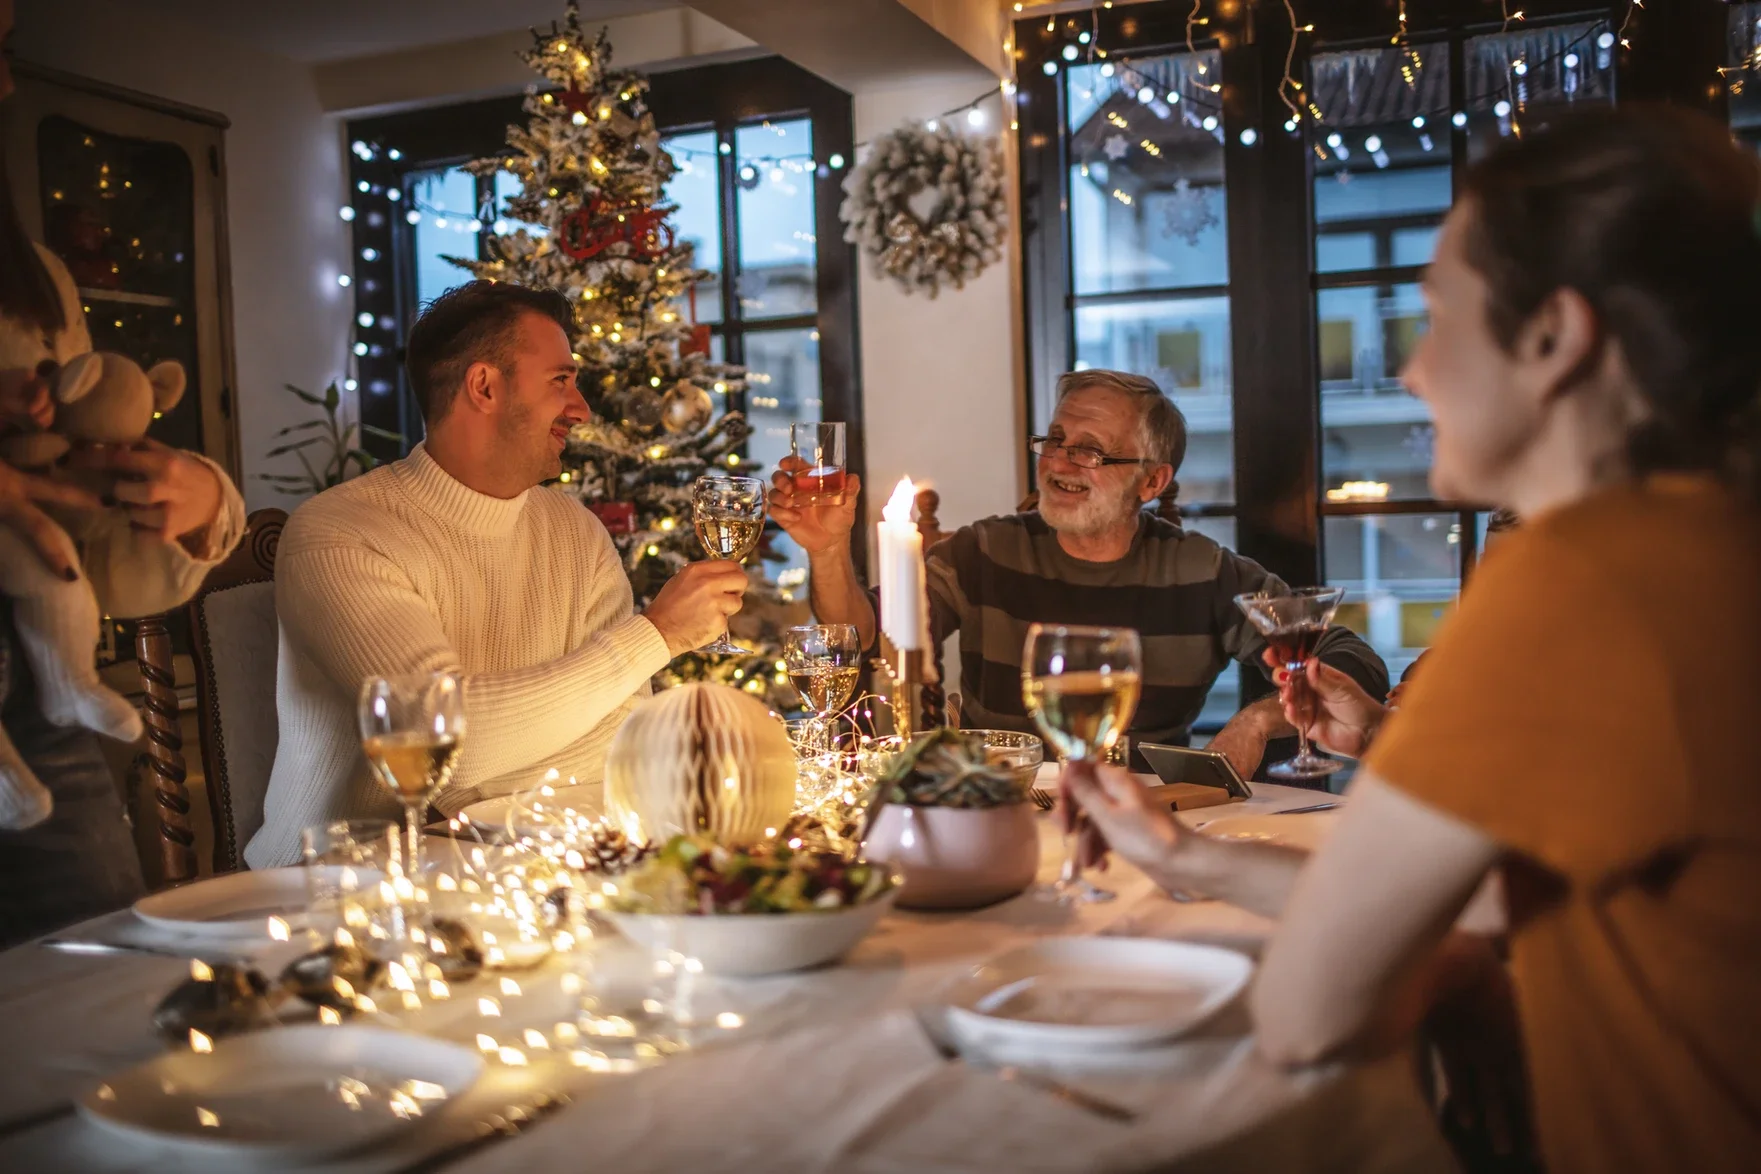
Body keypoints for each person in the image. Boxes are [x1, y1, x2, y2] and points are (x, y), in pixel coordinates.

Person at [1065, 106, 1761, 1173]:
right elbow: (1490, 896)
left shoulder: (1578, 578)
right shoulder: (1705, 545)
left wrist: (1458, 974)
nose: (1412, 372)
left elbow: (1308, 1013)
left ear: (1554, 338)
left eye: (1438, 317)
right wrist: (1180, 855)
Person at [245, 281, 746, 867]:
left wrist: (480, 779)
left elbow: (619, 736)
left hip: (527, 863)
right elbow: (439, 741)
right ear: (484, 386)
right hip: (339, 889)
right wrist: (654, 635)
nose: (581, 408)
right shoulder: (340, 533)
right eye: (561, 380)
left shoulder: (575, 530)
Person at [769, 368, 1387, 779]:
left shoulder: (1205, 573)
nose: (1061, 461)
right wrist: (826, 552)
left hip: (1141, 821)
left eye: (1090, 449)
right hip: (999, 810)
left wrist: (1258, 721)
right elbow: (865, 640)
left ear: (1151, 481)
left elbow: (1348, 660)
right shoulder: (985, 551)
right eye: (1056, 439)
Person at [0, 0, 246, 945]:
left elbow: (82, 517)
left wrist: (192, 505)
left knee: (92, 995)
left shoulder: (36, 283)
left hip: (39, 696)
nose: (7, 84)